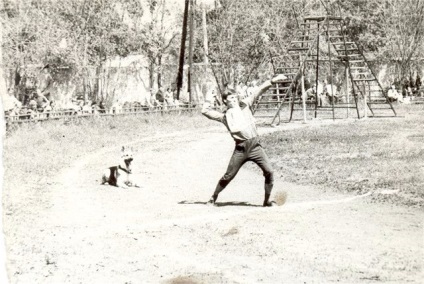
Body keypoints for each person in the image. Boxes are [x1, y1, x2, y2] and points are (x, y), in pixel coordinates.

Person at [201, 74, 287, 207]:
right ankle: (213, 197)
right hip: (240, 149)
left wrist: (271, 81)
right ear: (225, 101)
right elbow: (205, 111)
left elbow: (259, 90)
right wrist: (208, 99)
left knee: (269, 171)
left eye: (235, 97)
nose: (234, 100)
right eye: (231, 98)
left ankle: (266, 201)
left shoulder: (245, 104)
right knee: (228, 175)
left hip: (255, 146)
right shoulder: (225, 116)